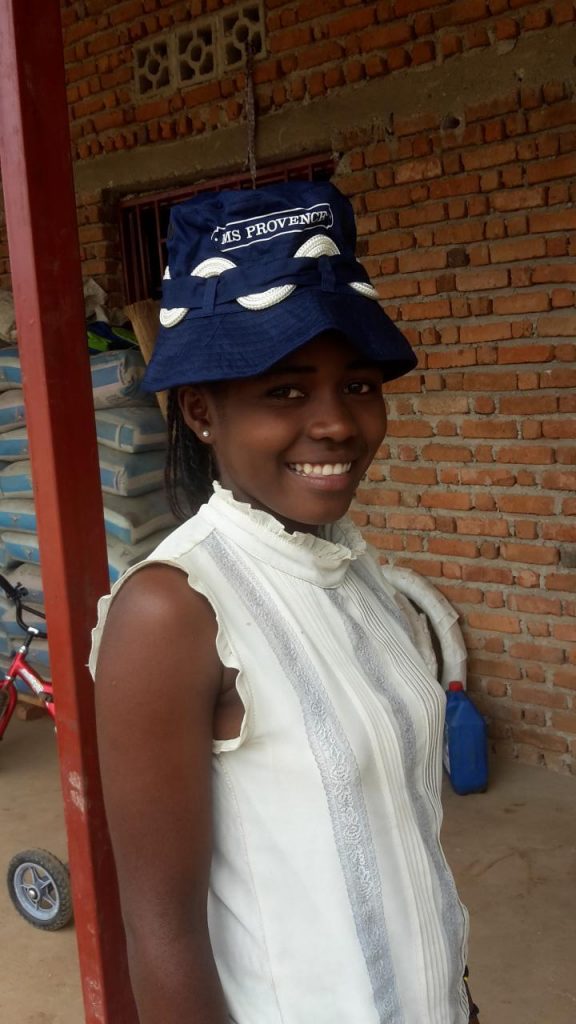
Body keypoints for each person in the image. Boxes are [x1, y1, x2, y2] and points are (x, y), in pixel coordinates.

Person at [91, 180, 480, 1024]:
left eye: (360, 385)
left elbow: (408, 839)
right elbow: (162, 936)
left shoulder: (353, 568)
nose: (338, 423)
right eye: (286, 391)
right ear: (202, 412)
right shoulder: (175, 611)